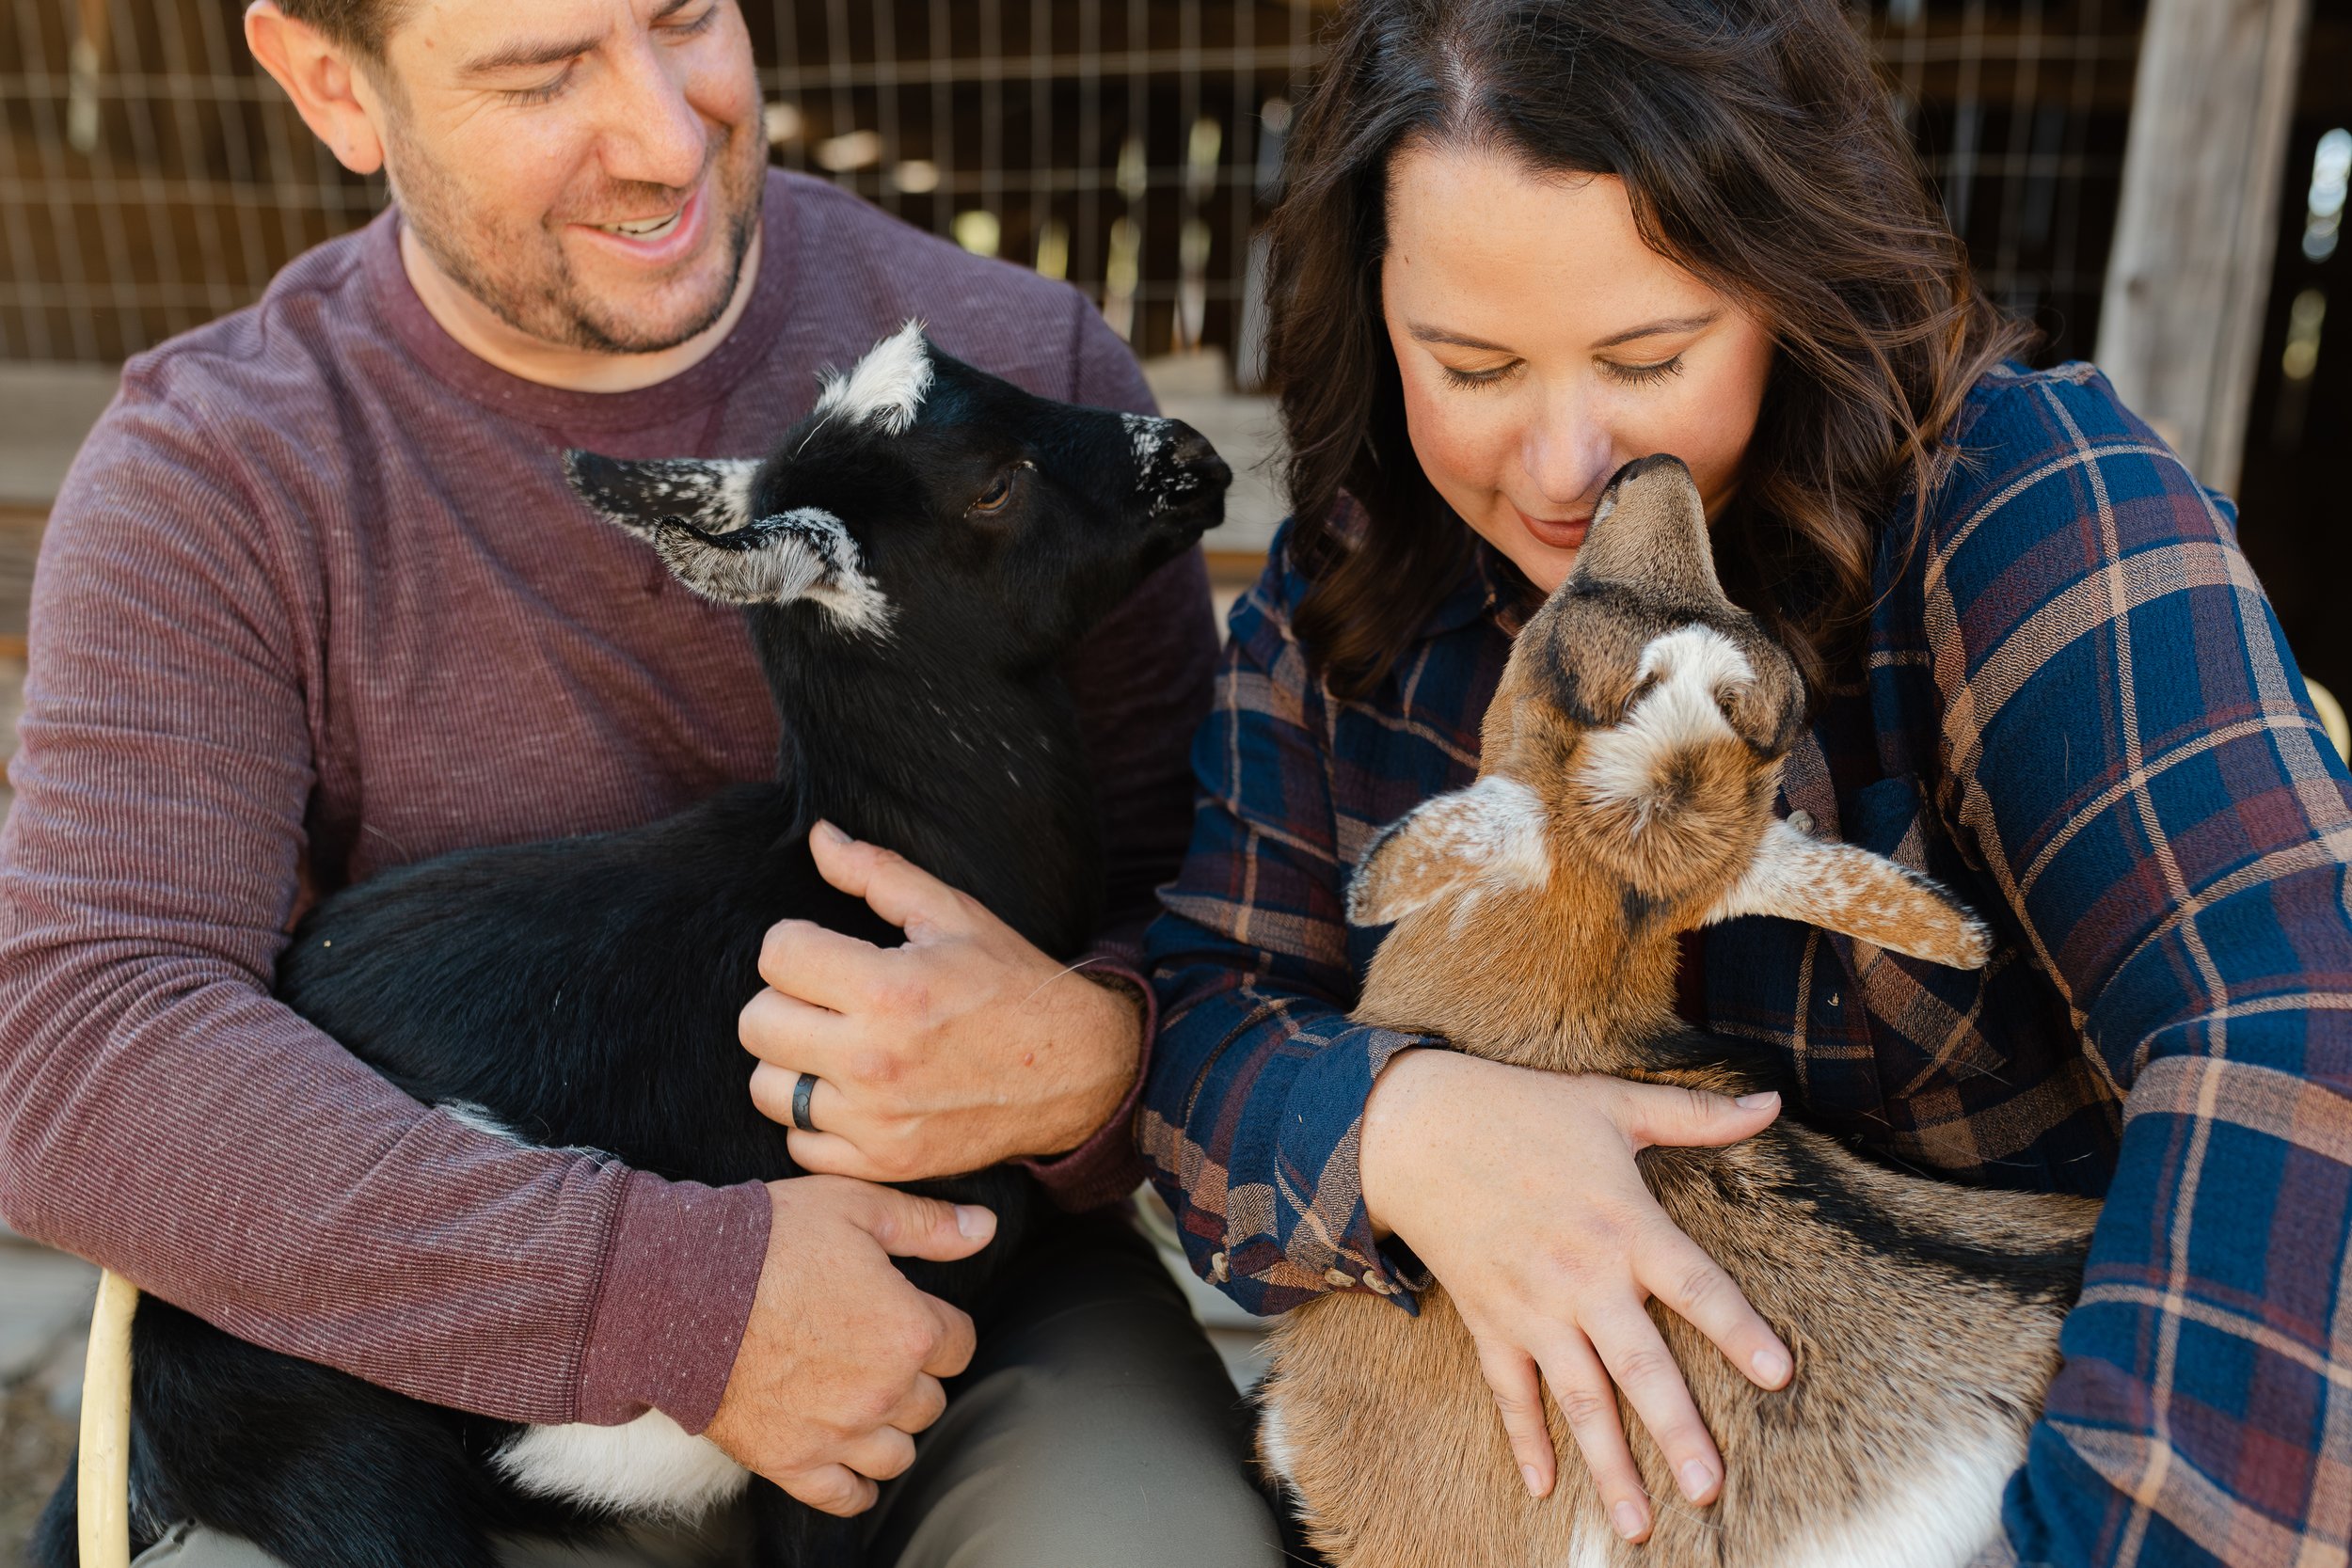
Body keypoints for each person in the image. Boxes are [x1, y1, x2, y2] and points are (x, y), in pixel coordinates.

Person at [0, 1, 1282, 1563]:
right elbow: (86, 1043)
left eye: (685, 17)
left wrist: (1091, 1057)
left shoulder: (1008, 367)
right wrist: (676, 1298)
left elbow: (1205, 904)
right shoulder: (218, 470)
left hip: (975, 1270)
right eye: (543, 73)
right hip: (462, 1331)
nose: (670, 136)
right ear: (335, 84)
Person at [1140, 1, 2352, 1562]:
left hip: (2019, 1480)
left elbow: (2290, 1009)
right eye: (1474, 362)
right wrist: (1403, 1126)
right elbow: (1200, 1009)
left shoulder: (2025, 509)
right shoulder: (1347, 593)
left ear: (1788, 284)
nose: (1569, 462)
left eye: (1649, 355)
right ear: (1376, 313)